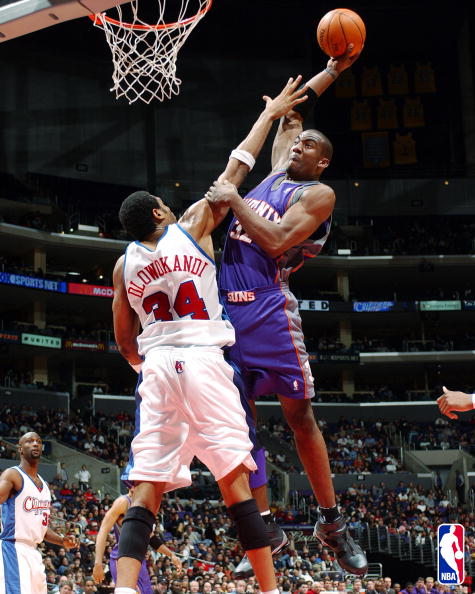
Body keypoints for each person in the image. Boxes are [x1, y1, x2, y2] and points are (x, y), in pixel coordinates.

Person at [110, 77, 309, 594]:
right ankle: (270, 589)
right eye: (163, 203)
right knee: (234, 480)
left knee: (146, 486)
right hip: (203, 358)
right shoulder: (191, 226)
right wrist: (271, 115)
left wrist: (147, 367)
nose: (170, 206)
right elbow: (238, 167)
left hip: (156, 368)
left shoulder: (123, 264)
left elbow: (125, 341)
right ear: (158, 213)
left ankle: (126, 589)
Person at [206, 47, 367, 577]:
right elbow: (291, 112)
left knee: (299, 418)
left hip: (270, 311)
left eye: (310, 146)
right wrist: (330, 72)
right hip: (227, 315)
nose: (299, 144)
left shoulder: (318, 193)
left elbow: (274, 241)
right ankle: (267, 525)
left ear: (322, 162)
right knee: (240, 427)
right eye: (297, 141)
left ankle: (332, 521)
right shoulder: (276, 167)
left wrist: (233, 195)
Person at [0, 432, 78, 593]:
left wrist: (62, 541)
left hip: (34, 553)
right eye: (29, 441)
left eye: (38, 441)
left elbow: (40, 528)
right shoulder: (12, 474)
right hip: (13, 549)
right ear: (20, 449)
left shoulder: (44, 485)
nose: (35, 444)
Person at [93, 487, 182, 593]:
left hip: (139, 559)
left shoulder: (145, 506)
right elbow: (103, 530)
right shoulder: (123, 502)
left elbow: (152, 538)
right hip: (123, 557)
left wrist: (171, 555)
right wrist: (98, 562)